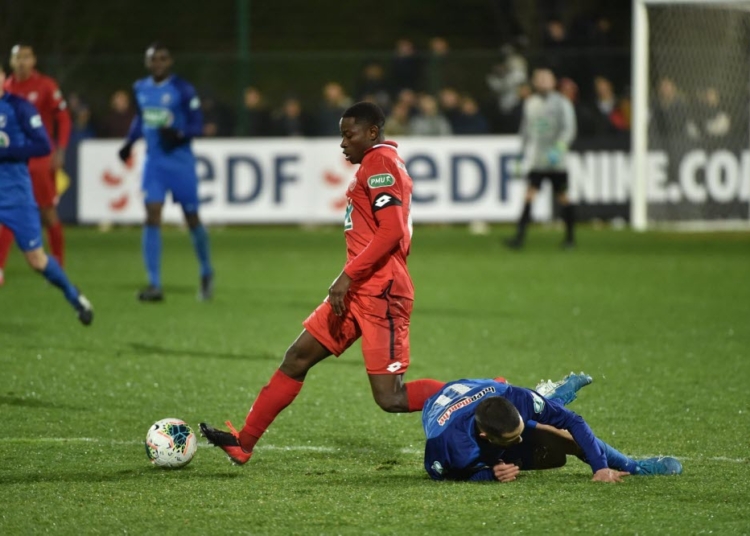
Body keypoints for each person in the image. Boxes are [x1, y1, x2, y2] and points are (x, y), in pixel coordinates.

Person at [200, 102, 445, 465]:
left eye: (349, 135)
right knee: (297, 357)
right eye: (341, 135)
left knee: (390, 397)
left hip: (382, 292)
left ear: (372, 133)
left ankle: (485, 395)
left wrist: (346, 276)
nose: (343, 143)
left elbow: (392, 230)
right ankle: (244, 442)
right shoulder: (376, 163)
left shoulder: (380, 163)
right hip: (358, 291)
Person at [422, 376, 683, 482]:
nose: (521, 439)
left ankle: (636, 467)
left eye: (520, 431)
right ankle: (552, 398)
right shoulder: (447, 444)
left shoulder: (516, 398)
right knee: (553, 456)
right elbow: (444, 476)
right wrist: (489, 475)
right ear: (485, 436)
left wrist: (600, 467)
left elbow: (574, 421)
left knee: (564, 438)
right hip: (446, 410)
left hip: (482, 388)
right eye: (513, 439)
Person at [118, 43, 214, 302]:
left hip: (180, 162)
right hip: (154, 163)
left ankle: (206, 272)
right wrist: (129, 142)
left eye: (162, 59)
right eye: (153, 59)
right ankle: (154, 284)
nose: (157, 63)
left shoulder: (183, 89)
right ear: (147, 63)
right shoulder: (141, 88)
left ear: (169, 62)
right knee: (152, 215)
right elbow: (141, 119)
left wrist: (179, 134)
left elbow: (197, 124)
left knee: (191, 218)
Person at [0, 63, 93, 325]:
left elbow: (42, 145)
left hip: (15, 196)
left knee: (36, 260)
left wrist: (6, 152)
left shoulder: (19, 108)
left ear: (3, 78)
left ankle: (74, 295)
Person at [0, 44, 71, 285]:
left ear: (33, 60)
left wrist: (60, 148)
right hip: (10, 162)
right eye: (17, 57)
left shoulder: (46, 86)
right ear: (11, 62)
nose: (21, 62)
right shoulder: (6, 87)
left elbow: (63, 117)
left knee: (48, 212)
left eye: (26, 57)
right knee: (6, 214)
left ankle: (58, 264)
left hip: (39, 160)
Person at [505, 67, 577, 249]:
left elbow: (569, 129)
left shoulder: (562, 102)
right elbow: (525, 130)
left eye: (546, 78)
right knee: (529, 195)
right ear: (534, 82)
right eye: (539, 79)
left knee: (563, 196)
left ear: (553, 82)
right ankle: (519, 238)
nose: (543, 82)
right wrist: (521, 154)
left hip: (557, 163)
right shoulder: (530, 103)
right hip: (537, 161)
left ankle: (570, 238)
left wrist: (559, 149)